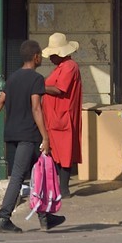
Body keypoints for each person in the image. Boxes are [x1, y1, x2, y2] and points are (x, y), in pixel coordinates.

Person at [0, 39, 59, 233]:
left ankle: (45, 216)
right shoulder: (36, 79)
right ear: (36, 57)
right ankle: (3, 218)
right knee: (19, 176)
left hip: (14, 133)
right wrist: (45, 137)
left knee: (42, 172)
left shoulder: (12, 78)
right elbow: (36, 108)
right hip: (28, 135)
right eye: (40, 57)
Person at [39, 32, 83, 218]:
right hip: (55, 116)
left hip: (62, 115)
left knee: (63, 152)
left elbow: (59, 89)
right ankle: (58, 187)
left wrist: (38, 86)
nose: (50, 57)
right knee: (56, 152)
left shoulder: (69, 66)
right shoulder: (61, 67)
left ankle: (63, 188)